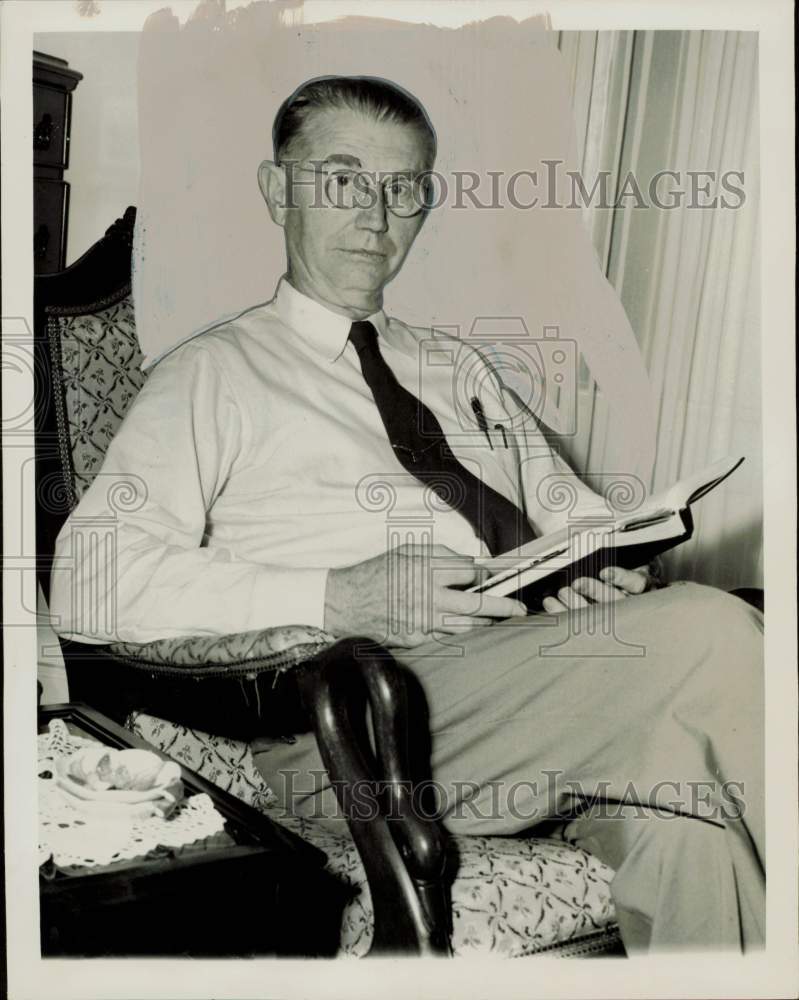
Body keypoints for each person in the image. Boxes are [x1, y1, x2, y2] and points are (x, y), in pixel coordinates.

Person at [50, 76, 764, 953]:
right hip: (354, 734)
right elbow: (88, 580)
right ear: (279, 191)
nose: (378, 215)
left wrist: (608, 573)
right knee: (715, 633)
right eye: (343, 180)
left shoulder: (460, 369)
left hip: (537, 701)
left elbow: (573, 521)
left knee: (697, 836)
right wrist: (337, 597)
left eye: (404, 188)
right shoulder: (212, 375)